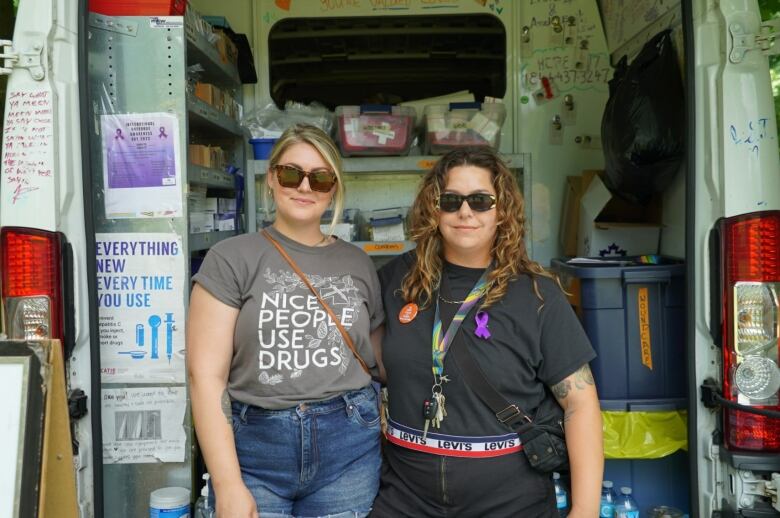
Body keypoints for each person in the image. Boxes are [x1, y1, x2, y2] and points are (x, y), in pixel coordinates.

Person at [370, 147, 603, 517]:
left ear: (503, 210)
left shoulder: (537, 294)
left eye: (481, 200)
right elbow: (372, 365)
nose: (466, 211)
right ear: (434, 208)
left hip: (509, 501)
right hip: (406, 498)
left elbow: (580, 405)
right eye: (451, 200)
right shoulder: (394, 281)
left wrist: (585, 509)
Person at [187, 124, 385, 518]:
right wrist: (227, 485)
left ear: (334, 189)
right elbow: (205, 377)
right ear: (272, 179)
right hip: (255, 455)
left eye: (321, 177)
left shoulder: (357, 262)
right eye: (292, 173)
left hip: (348, 448)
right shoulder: (231, 258)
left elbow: (380, 358)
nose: (305, 187)